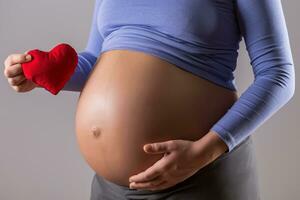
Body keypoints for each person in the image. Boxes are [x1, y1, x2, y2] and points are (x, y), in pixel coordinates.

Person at [3, 0, 295, 199]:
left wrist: (203, 152)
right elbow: (97, 60)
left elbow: (278, 75)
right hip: (112, 189)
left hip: (198, 177)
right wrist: (44, 73)